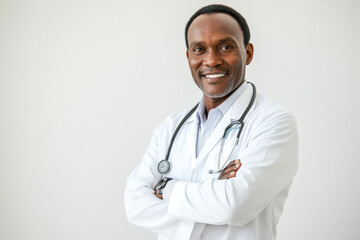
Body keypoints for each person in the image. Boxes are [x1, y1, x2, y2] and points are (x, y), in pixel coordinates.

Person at [124, 4, 298, 240]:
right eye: (199, 49)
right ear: (189, 57)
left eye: (225, 47)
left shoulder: (274, 123)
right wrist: (214, 191)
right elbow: (134, 203)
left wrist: (166, 188)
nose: (211, 60)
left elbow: (234, 204)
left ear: (248, 53)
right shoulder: (170, 127)